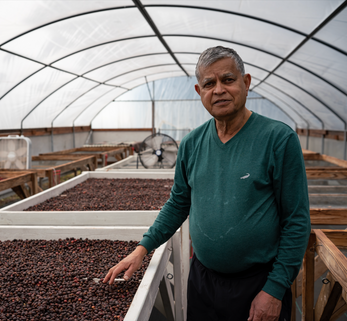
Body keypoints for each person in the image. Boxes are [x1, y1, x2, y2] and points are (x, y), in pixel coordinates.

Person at [104, 46, 311, 321]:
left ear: (246, 83)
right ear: (198, 91)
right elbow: (178, 203)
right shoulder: (191, 144)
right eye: (209, 84)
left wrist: (274, 290)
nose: (219, 90)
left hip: (258, 283)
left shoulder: (278, 139)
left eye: (228, 80)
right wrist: (142, 249)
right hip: (202, 281)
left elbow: (296, 221)